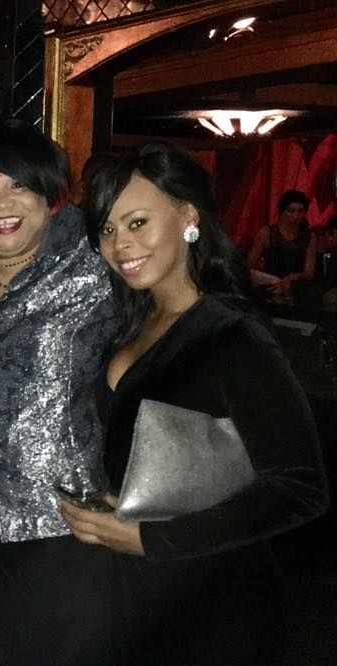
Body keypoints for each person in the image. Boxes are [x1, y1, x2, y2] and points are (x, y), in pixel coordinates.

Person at [64, 142, 329, 664]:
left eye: (137, 222)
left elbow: (302, 488)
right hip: (140, 591)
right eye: (107, 229)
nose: (119, 244)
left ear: (188, 216)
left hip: (212, 600)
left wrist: (152, 539)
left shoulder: (232, 335)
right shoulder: (134, 321)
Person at [0, 118, 118, 664]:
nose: (1, 203)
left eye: (18, 183)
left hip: (66, 522)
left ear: (48, 191)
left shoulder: (97, 266)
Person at [247, 189, 317, 302]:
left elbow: (309, 273)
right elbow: (249, 265)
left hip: (296, 288)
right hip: (269, 286)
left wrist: (291, 278)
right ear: (282, 212)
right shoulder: (267, 233)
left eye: (300, 211)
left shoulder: (309, 236)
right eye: (291, 211)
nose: (296, 216)